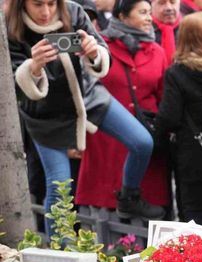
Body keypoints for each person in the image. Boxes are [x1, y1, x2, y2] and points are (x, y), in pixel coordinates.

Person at [7, 0, 164, 237]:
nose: (46, 12)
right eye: (38, 4)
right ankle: (58, 257)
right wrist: (34, 67)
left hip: (88, 96)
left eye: (51, 3)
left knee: (143, 142)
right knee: (60, 186)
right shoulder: (9, 26)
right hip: (45, 113)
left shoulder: (73, 10)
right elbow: (13, 88)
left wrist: (94, 52)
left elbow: (103, 54)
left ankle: (129, 196)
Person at [75, 0, 170, 215]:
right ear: (122, 16)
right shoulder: (99, 48)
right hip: (105, 137)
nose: (149, 18)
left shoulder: (157, 51)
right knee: (103, 209)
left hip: (145, 137)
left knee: (144, 208)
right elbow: (82, 91)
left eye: (149, 12)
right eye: (142, 12)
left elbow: (163, 95)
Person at [156, 12, 202, 225]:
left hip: (191, 155)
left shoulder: (178, 72)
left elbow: (169, 116)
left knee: (191, 215)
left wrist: (154, 135)